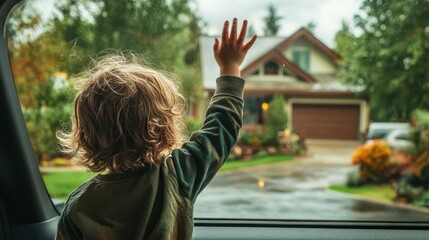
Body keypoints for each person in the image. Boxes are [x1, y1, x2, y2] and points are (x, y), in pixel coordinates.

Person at [55, 18, 257, 240]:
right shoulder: (176, 175)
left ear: (87, 135)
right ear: (162, 127)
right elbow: (221, 127)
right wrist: (230, 67)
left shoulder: (78, 206)